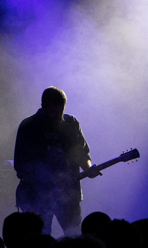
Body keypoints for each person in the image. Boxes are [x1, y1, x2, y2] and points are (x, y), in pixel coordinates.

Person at [14, 87, 99, 237]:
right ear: (44, 106)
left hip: (68, 195)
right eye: (53, 112)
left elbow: (82, 153)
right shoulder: (29, 126)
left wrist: (88, 168)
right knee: (40, 239)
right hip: (37, 197)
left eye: (61, 111)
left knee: (74, 236)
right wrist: (45, 181)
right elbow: (21, 164)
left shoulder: (71, 123)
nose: (58, 116)